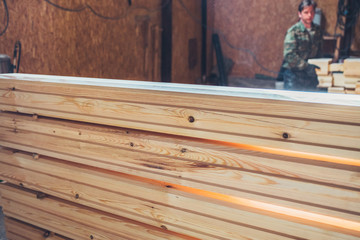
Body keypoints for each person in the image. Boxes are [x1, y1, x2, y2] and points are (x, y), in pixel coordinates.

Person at [281, 0, 323, 91]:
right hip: (294, 75)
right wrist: (306, 66)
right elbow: (289, 55)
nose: (309, 15)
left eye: (312, 12)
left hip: (310, 76)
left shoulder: (317, 31)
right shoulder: (293, 31)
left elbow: (319, 52)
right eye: (306, 12)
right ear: (300, 14)